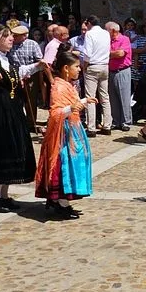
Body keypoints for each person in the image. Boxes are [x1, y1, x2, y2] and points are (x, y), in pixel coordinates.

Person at [0, 24, 46, 212]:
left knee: (14, 150)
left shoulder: (8, 57)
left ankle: (3, 195)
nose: (11, 39)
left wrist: (37, 66)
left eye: (11, 36)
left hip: (12, 111)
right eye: (6, 36)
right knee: (3, 150)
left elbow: (17, 73)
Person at [34, 50, 94, 219]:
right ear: (66, 68)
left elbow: (71, 103)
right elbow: (55, 113)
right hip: (63, 133)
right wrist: (71, 108)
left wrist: (83, 101)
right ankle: (61, 201)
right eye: (77, 67)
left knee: (72, 162)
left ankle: (61, 201)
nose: (79, 70)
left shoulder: (67, 84)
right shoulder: (58, 86)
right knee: (64, 164)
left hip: (71, 128)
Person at [81, 16, 112, 136]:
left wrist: (85, 65)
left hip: (93, 66)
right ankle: (107, 125)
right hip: (104, 65)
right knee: (105, 96)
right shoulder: (106, 33)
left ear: (89, 23)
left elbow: (87, 53)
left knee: (90, 97)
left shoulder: (89, 34)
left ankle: (91, 127)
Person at [106, 21, 133, 132]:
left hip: (123, 71)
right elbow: (116, 53)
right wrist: (113, 54)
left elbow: (120, 54)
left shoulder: (124, 39)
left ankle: (126, 121)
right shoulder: (108, 41)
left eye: (106, 30)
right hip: (111, 71)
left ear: (113, 31)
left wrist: (107, 54)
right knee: (113, 98)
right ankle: (116, 121)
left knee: (124, 97)